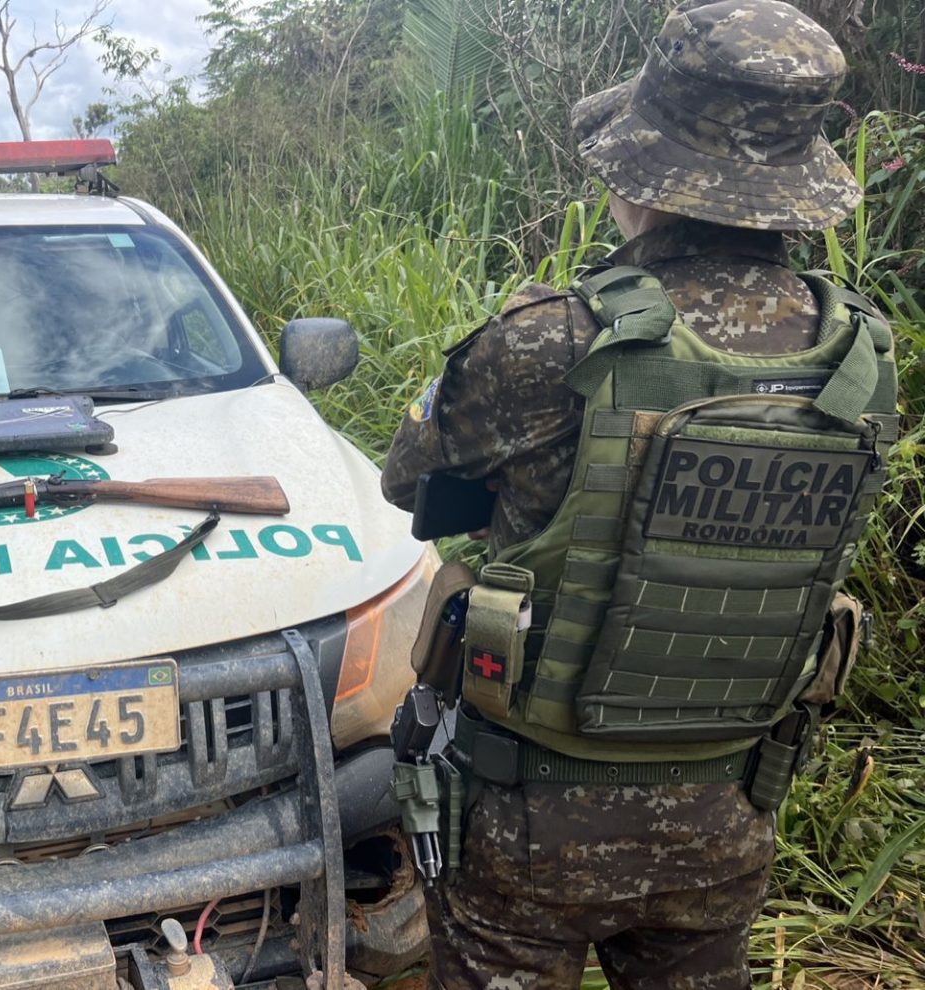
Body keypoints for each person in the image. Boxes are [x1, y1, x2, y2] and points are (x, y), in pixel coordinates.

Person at [382, 2, 897, 987]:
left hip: (530, 815)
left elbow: (409, 482)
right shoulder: (862, 356)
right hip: (732, 810)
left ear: (641, 183)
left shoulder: (547, 342)